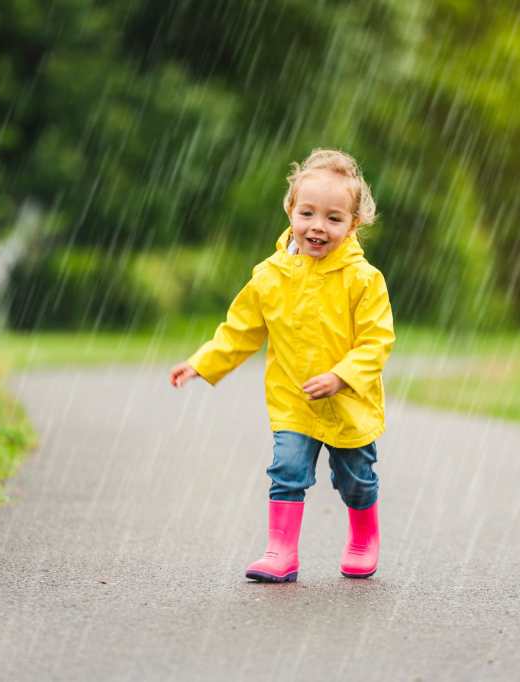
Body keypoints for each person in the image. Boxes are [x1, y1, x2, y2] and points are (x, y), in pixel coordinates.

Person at [168, 149, 394, 582]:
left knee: (356, 481)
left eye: (333, 218)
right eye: (307, 213)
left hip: (350, 405)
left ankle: (364, 537)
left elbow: (376, 340)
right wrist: (202, 362)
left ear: (353, 224)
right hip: (294, 400)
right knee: (287, 471)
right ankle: (281, 552)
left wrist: (341, 377)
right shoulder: (269, 275)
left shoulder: (364, 280)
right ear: (291, 209)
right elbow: (240, 330)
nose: (317, 227)